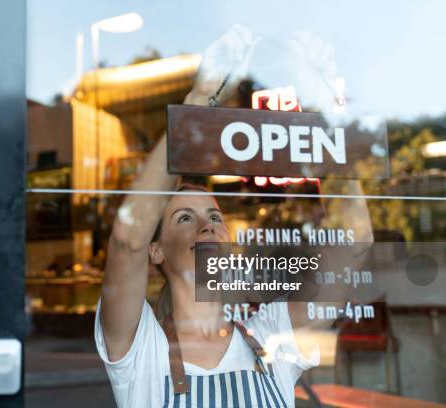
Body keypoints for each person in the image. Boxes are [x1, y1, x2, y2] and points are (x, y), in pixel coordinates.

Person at [95, 26, 371, 407]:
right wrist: (198, 101)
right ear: (155, 250)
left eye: (213, 215)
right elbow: (127, 240)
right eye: (184, 219)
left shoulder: (271, 336)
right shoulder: (140, 348)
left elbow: (354, 243)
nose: (207, 223)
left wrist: (323, 109)